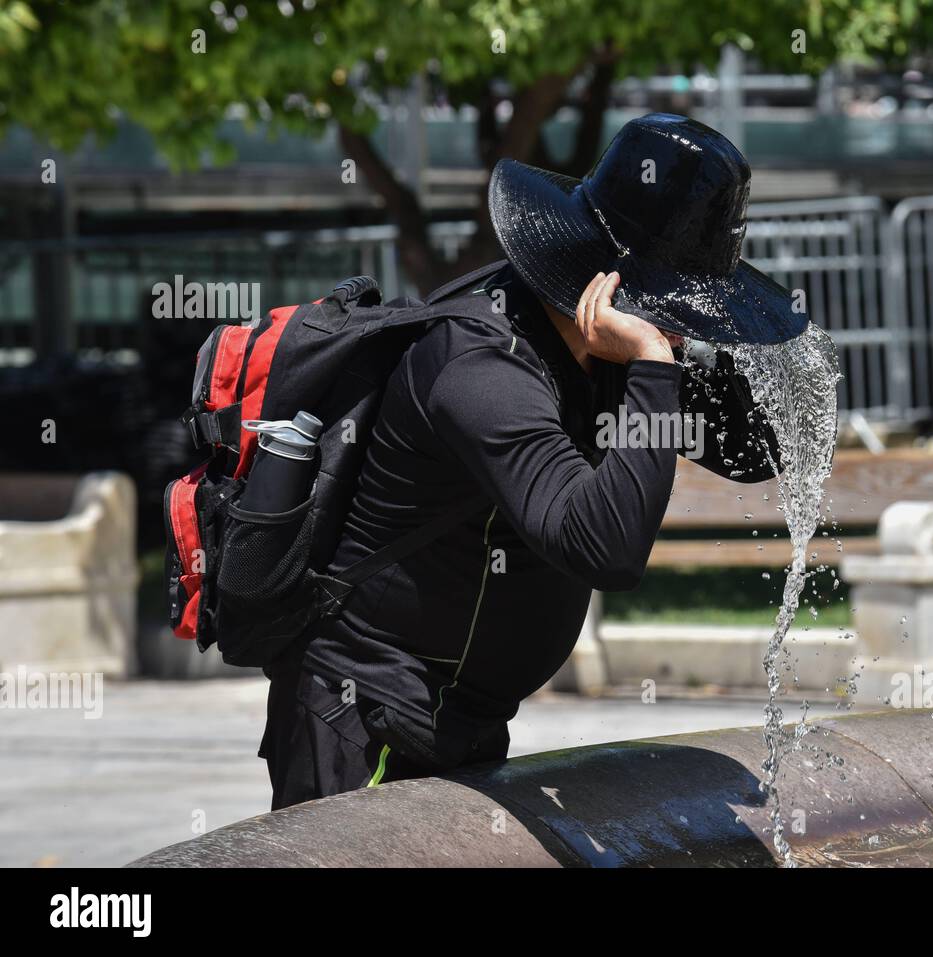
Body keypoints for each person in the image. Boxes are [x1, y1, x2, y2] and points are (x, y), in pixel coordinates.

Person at [260, 113, 808, 809]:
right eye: (677, 306)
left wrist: (695, 343)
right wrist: (651, 361)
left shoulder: (597, 340)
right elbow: (604, 547)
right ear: (618, 286)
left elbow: (758, 445)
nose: (680, 329)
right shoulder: (481, 364)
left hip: (460, 722)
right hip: (362, 718)